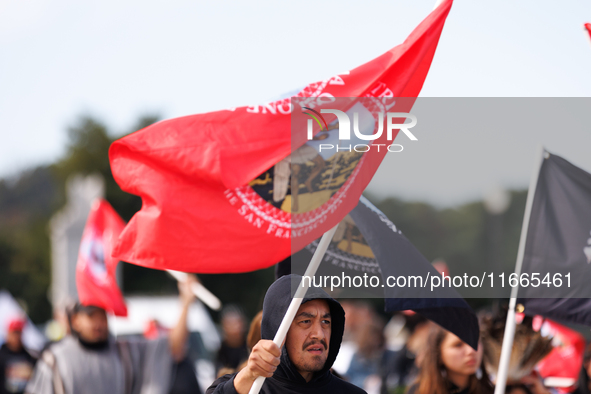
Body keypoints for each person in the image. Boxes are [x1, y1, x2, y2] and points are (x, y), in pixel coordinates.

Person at [25, 276, 197, 394]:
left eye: (103, 315)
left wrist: (186, 302)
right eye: (91, 316)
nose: (99, 322)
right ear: (76, 320)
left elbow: (173, 345)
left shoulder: (126, 353)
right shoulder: (55, 360)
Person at [206, 274, 366, 394]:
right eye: (305, 321)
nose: (319, 334)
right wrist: (248, 376)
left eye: (326, 322)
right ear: (277, 328)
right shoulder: (245, 388)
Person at [407, 324, 493, 394]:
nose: (471, 350)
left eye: (474, 342)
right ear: (438, 354)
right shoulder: (420, 391)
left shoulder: (493, 389)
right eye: (458, 345)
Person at [0, 318, 36, 394]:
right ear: (8, 333)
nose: (16, 336)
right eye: (14, 332)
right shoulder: (2, 355)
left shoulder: (28, 355)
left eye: (19, 332)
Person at [215, 307, 249, 376]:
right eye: (230, 323)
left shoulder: (250, 346)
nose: (235, 327)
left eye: (237, 323)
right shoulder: (219, 348)